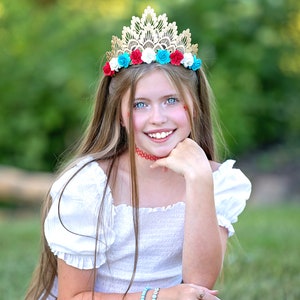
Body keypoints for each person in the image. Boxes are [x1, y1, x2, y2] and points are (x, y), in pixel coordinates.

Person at [25, 6, 251, 300]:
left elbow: (199, 285)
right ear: (119, 115)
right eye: (140, 105)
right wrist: (158, 296)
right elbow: (75, 296)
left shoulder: (217, 180)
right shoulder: (90, 186)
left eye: (171, 100)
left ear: (195, 105)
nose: (157, 117)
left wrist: (199, 179)